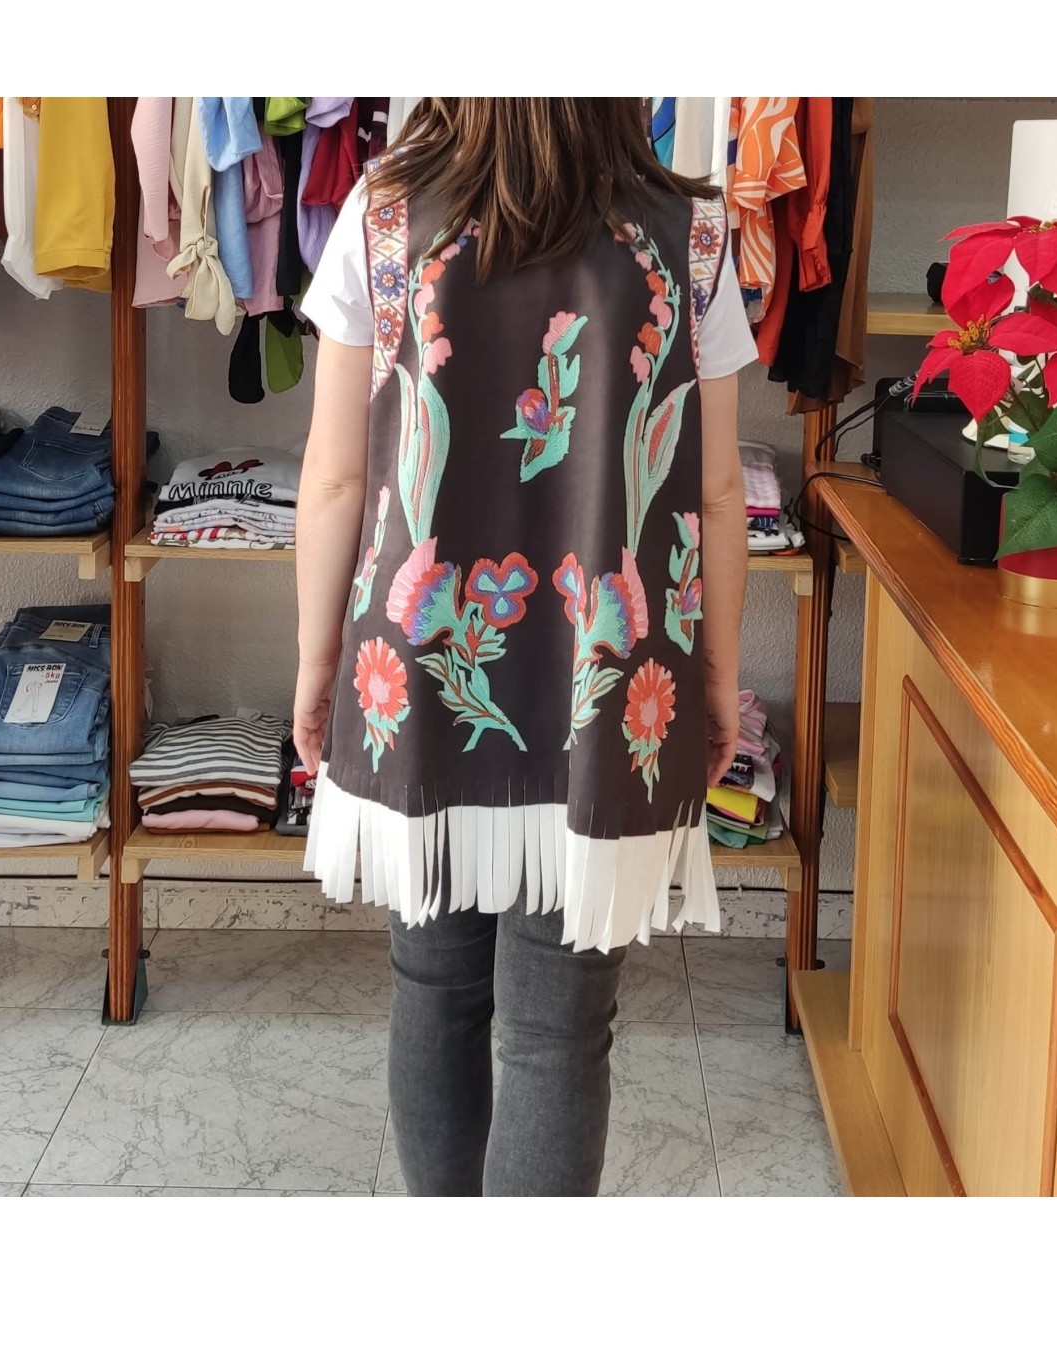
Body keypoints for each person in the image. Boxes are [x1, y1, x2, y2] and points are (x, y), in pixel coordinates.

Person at [294, 98, 755, 1196]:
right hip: (611, 685)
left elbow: (337, 476)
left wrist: (315, 664)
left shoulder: (383, 213)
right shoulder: (691, 232)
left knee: (432, 989)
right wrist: (720, 680)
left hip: (418, 670)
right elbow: (717, 491)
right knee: (560, 1031)